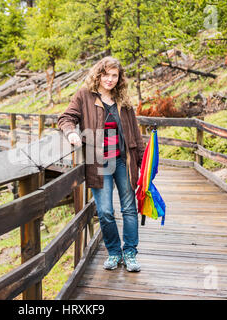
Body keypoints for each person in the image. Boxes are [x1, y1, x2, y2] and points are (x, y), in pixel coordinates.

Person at [58, 56, 145, 272]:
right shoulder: (84, 95)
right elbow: (65, 117)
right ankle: (115, 252)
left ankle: (131, 252)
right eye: (106, 74)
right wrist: (71, 133)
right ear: (98, 74)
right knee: (105, 211)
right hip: (99, 162)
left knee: (128, 208)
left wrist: (143, 163)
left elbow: (135, 132)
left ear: (119, 78)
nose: (110, 79)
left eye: (115, 75)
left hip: (123, 160)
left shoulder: (123, 100)